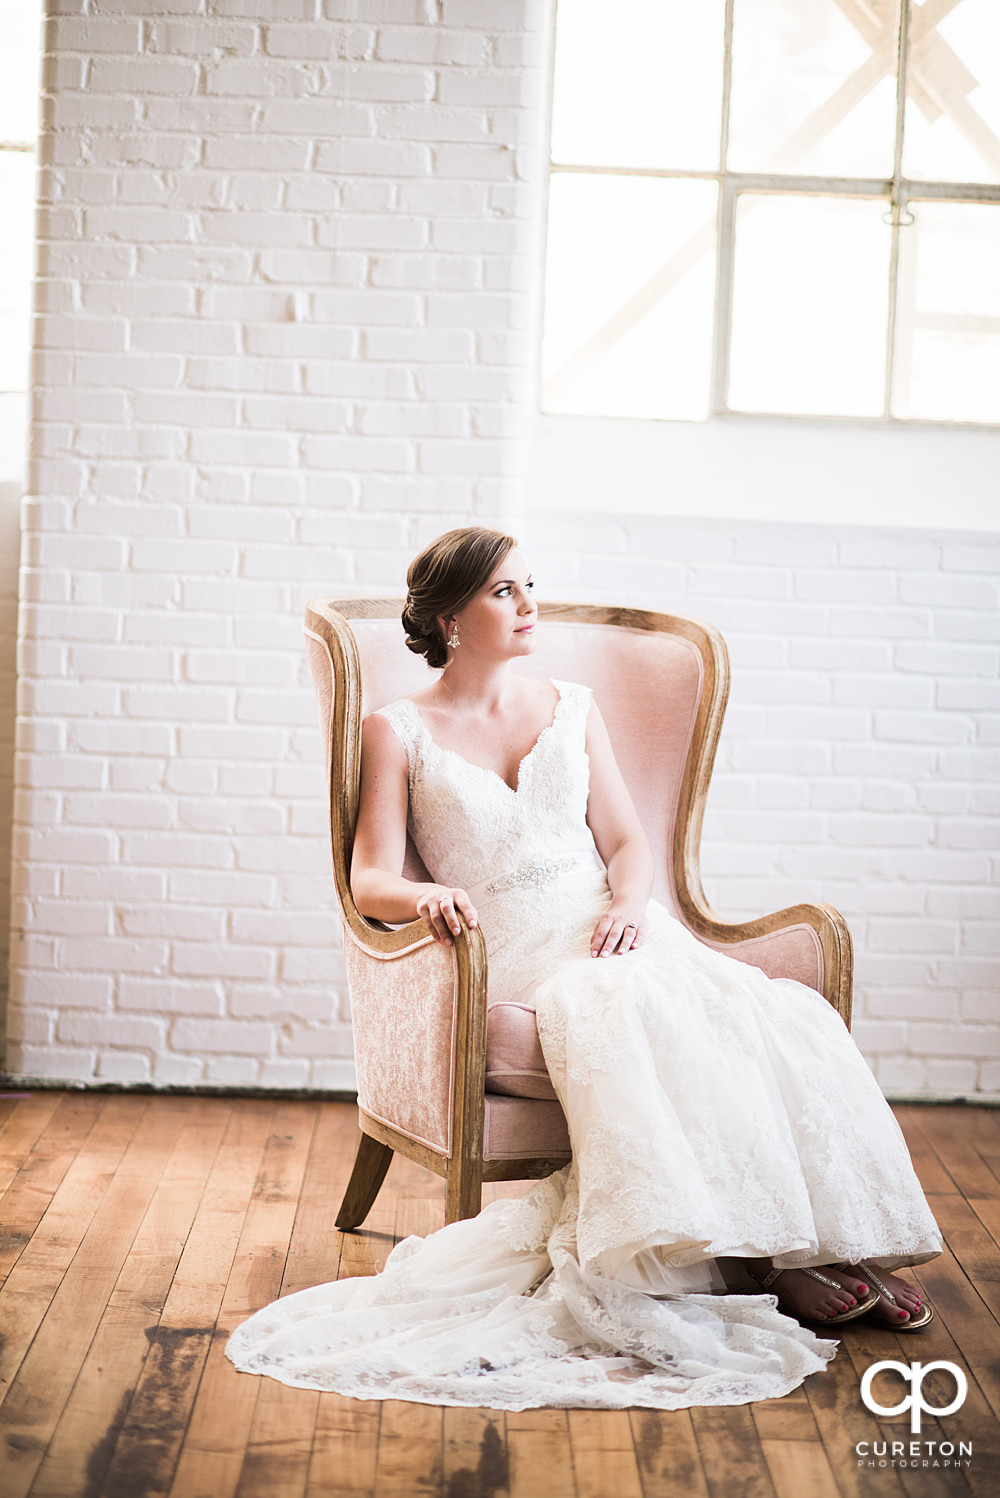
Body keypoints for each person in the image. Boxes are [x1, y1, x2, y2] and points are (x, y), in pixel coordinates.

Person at [226, 526, 942, 1410]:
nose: (530, 605)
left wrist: (631, 905)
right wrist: (425, 897)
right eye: (503, 592)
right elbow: (369, 874)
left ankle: (814, 1243)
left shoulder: (572, 704)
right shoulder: (397, 728)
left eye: (531, 585)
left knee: (763, 1009)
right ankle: (759, 1263)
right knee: (620, 1016)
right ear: (451, 617)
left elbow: (628, 840)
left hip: (613, 924)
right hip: (516, 948)